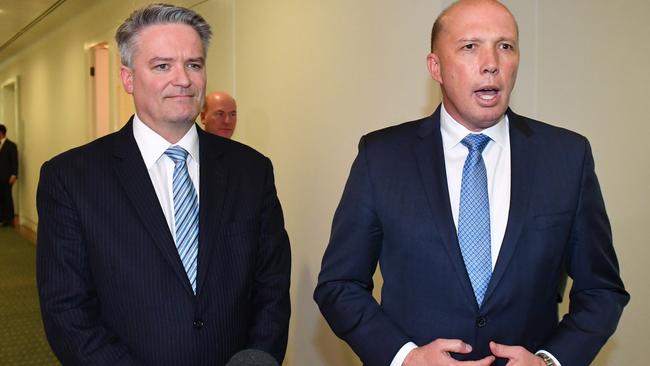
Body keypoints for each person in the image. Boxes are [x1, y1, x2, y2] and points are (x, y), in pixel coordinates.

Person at [313, 1, 629, 366]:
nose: (491, 62)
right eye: (470, 46)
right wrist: (406, 358)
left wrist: (549, 361)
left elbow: (602, 290)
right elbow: (340, 285)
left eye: (505, 46)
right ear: (436, 67)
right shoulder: (381, 157)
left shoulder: (567, 157)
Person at [36, 4, 291, 365]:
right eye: (162, 66)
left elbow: (272, 288)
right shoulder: (71, 178)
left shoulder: (251, 170)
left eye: (194, 64)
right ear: (127, 78)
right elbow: (67, 312)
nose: (183, 79)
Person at [0, 124, 18, 227]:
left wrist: (14, 174)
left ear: (1, 133)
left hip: (7, 177)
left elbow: (14, 161)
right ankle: (2, 218)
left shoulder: (11, 145)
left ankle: (9, 218)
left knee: (7, 197)